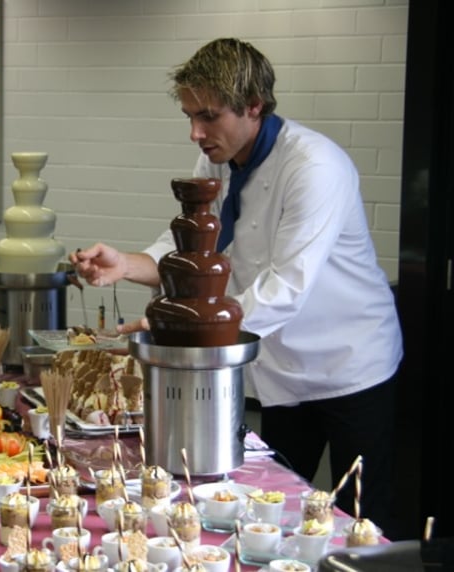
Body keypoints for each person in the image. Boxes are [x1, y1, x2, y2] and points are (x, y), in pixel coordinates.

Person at [70, 38, 403, 535]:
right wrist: (126, 264)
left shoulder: (314, 167)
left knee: (363, 522)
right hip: (281, 368)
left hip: (350, 363)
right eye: (190, 116)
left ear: (254, 105)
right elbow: (190, 249)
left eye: (208, 116)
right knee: (273, 510)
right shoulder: (219, 160)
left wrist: (181, 332)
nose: (195, 133)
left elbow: (286, 285)